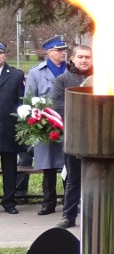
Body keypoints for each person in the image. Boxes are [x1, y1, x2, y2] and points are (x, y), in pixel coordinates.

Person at [51, 44, 94, 228]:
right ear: (73, 59)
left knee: (97, 178)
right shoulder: (63, 79)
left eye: (87, 57)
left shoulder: (100, 79)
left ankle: (95, 215)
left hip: (96, 137)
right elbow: (59, 106)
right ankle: (68, 216)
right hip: (74, 137)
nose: (84, 60)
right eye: (81, 57)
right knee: (73, 179)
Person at [25, 36, 68, 217]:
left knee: (70, 165)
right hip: (47, 124)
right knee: (48, 166)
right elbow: (29, 98)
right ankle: (48, 202)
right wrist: (37, 120)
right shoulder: (37, 72)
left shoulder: (70, 70)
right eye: (59, 50)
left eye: (64, 50)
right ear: (49, 52)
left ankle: (69, 201)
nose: (63, 53)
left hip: (69, 122)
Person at [0, 42, 25, 214]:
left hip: (8, 130)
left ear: (4, 55)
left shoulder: (16, 75)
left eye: (0, 53)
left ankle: (9, 202)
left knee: (10, 168)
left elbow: (21, 103)